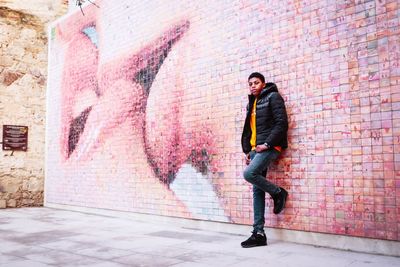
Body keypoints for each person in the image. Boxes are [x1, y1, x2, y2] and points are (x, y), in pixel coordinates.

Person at [240, 72, 289, 248]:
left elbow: (281, 123)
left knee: (249, 173)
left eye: (256, 83)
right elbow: (249, 129)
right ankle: (258, 233)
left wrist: (268, 143)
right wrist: (248, 149)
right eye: (250, 84)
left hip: (269, 147)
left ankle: (278, 192)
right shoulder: (251, 103)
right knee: (257, 190)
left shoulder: (273, 97)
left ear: (263, 83)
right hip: (255, 150)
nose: (253, 86)